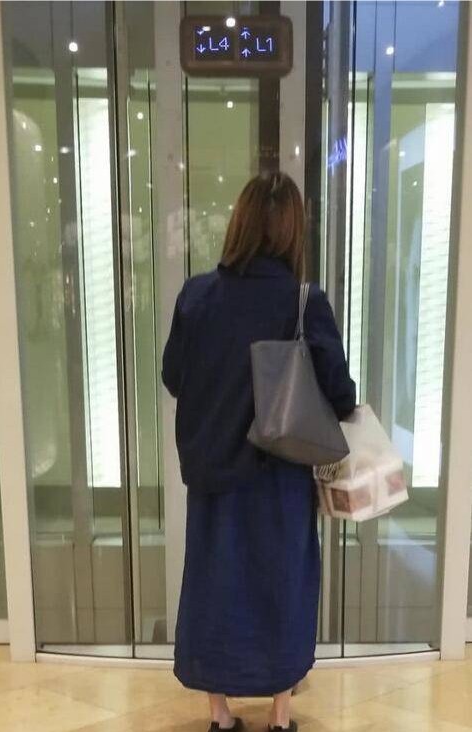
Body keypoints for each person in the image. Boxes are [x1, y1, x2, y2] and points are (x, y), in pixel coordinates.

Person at [162, 172, 356, 732]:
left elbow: (174, 376)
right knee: (281, 586)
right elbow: (340, 393)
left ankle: (220, 715)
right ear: (293, 230)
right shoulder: (303, 302)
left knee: (214, 586)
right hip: (280, 478)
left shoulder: (197, 296)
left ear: (239, 224)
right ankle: (279, 714)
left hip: (212, 473)